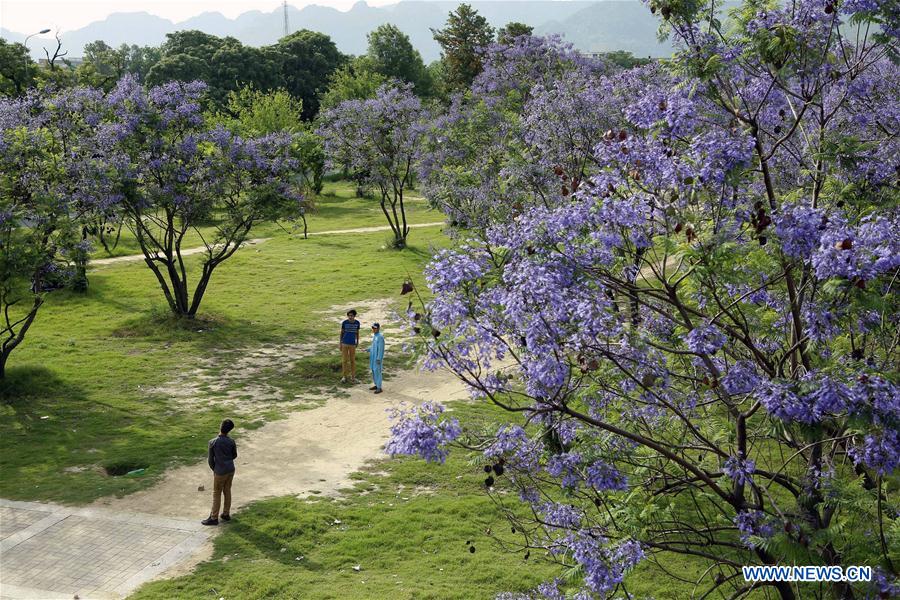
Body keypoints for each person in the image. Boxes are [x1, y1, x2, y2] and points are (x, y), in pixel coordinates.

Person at [202, 419, 237, 526]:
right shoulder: (231, 442)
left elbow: (210, 460)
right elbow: (234, 455)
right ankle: (226, 513)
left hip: (220, 471)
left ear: (220, 426)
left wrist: (215, 469)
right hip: (230, 469)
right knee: (227, 490)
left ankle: (214, 517)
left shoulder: (213, 442)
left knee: (216, 493)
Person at [340, 309, 361, 383]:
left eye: (351, 315)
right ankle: (344, 377)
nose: (350, 317)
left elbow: (357, 333)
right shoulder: (344, 323)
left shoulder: (357, 323)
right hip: (344, 343)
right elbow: (342, 333)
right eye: (349, 315)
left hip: (352, 344)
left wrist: (357, 342)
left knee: (352, 361)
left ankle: (353, 377)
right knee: (344, 361)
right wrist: (340, 343)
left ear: (354, 316)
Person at [365, 322, 385, 394]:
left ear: (378, 328)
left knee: (377, 372)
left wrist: (379, 358)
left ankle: (379, 387)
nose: (374, 329)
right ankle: (376, 385)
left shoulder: (380, 337)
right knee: (373, 371)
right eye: (373, 328)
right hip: (373, 357)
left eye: (375, 328)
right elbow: (373, 346)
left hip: (377, 358)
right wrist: (368, 349)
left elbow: (381, 349)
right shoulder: (375, 336)